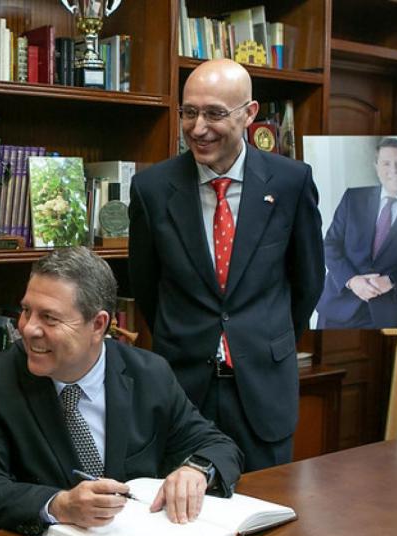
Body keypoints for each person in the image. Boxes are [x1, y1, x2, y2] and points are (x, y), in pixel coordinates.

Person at [0, 247, 242, 536]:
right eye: (27, 311)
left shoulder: (149, 374)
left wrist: (197, 470)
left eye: (49, 318)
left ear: (98, 324)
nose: (28, 329)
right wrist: (58, 505)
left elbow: (218, 446)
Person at [128, 58, 324, 473]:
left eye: (215, 113)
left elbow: (307, 281)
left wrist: (264, 337)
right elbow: (146, 285)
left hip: (263, 389)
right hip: (183, 389)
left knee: (266, 519)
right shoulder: (151, 190)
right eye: (189, 112)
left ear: (250, 114)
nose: (198, 128)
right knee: (184, 519)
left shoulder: (291, 183)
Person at [316, 137, 397, 328]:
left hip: (382, 314)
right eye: (386, 163)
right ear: (377, 166)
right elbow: (330, 246)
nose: (394, 170)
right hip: (337, 306)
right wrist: (352, 281)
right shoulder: (353, 198)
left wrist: (391, 281)